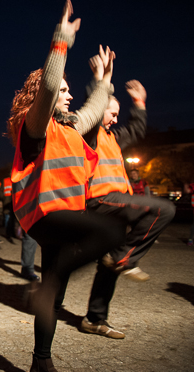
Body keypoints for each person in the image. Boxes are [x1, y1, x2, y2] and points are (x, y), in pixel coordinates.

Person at [7, 0, 126, 371]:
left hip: (66, 214)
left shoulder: (71, 128)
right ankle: (47, 290)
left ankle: (41, 361)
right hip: (44, 214)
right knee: (112, 230)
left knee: (52, 295)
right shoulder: (34, 123)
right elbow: (46, 88)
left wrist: (105, 80)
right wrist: (61, 41)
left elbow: (92, 108)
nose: (68, 95)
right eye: (64, 91)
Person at [80, 79, 175, 339]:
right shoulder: (90, 134)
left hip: (117, 205)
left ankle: (94, 319)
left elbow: (136, 129)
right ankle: (126, 258)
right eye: (111, 114)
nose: (114, 120)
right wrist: (102, 80)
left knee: (107, 266)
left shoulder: (113, 138)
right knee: (163, 210)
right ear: (100, 111)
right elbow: (94, 107)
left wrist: (139, 103)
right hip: (100, 201)